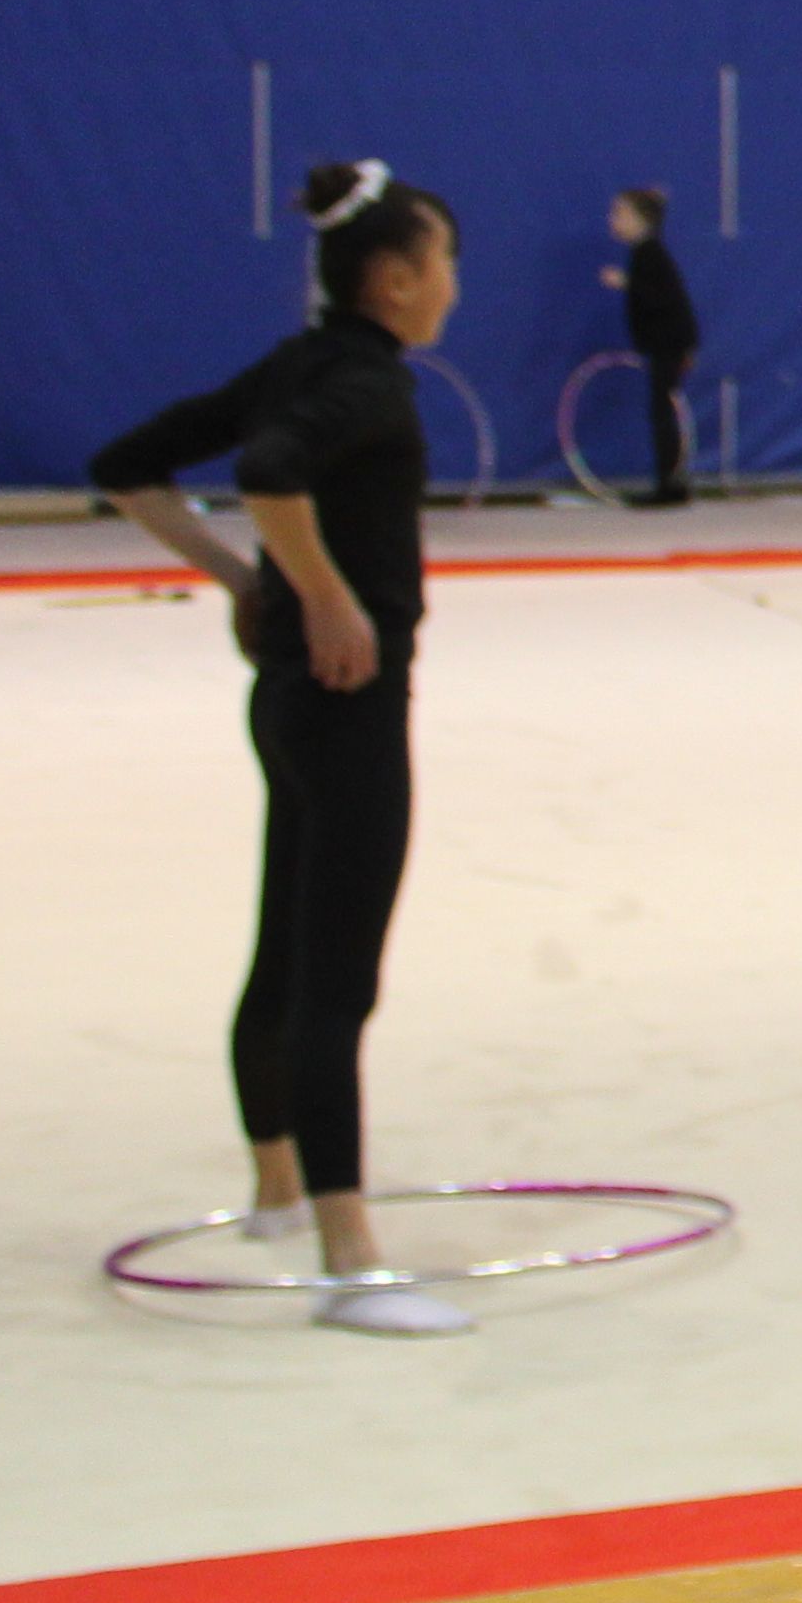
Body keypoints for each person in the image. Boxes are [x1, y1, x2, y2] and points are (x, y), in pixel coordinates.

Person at [90, 161, 476, 1339]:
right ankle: (349, 1254)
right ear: (399, 276)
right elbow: (267, 472)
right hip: (352, 705)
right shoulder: (363, 384)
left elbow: (126, 465)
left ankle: (276, 1182)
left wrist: (244, 579)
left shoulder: (299, 363)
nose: (455, 285)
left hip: (290, 706)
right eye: (446, 262)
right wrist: (320, 592)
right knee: (337, 980)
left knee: (287, 944)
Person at [600, 188, 701, 506]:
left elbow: (664, 298)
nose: (612, 220)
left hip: (668, 344)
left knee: (662, 416)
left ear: (640, 220)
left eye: (619, 214)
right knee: (662, 413)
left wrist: (626, 283)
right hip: (668, 344)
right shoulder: (645, 252)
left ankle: (668, 487)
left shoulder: (650, 253)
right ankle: (672, 483)